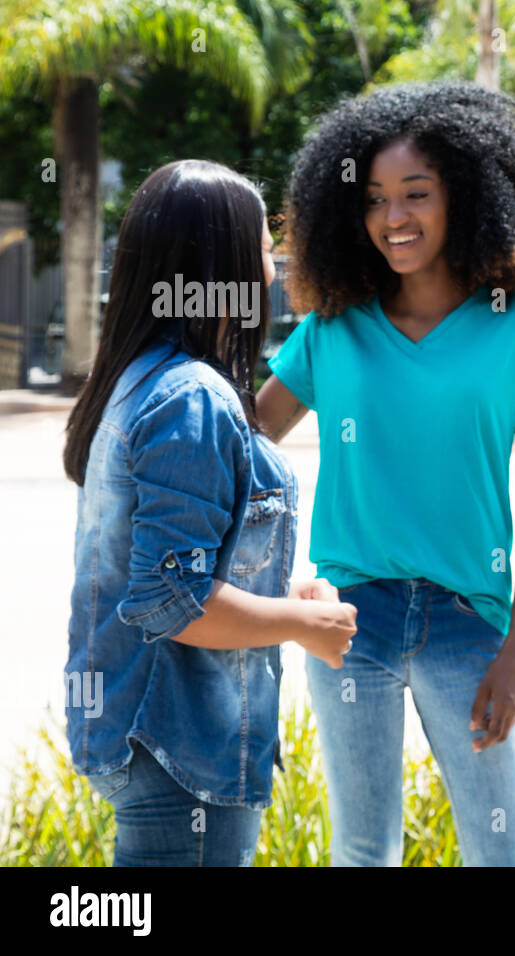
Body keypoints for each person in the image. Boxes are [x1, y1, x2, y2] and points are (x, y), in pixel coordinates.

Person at [256, 82, 515, 866]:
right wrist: (280, 587)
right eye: (373, 199)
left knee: (504, 852)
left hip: (469, 624)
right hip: (352, 621)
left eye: (416, 194)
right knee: (363, 851)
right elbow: (244, 445)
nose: (393, 218)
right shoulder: (332, 326)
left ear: (465, 198)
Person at [62, 160, 356, 867]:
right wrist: (304, 625)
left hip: (147, 732)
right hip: (179, 745)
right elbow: (172, 602)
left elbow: (182, 569)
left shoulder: (140, 380)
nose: (273, 268)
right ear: (217, 263)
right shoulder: (191, 397)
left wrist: (282, 597)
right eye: (261, 248)